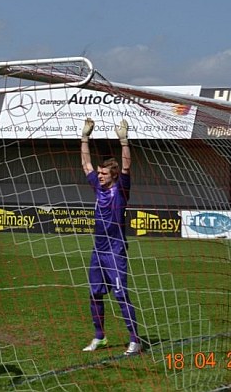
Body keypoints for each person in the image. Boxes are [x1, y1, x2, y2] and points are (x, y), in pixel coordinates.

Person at [80, 118, 141, 356]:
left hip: (115, 251)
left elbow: (126, 166)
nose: (99, 175)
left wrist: (124, 141)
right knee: (94, 293)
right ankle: (99, 336)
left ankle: (135, 340)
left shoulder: (121, 190)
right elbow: (86, 164)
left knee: (119, 293)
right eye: (99, 173)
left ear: (113, 175)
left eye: (104, 173)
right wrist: (84, 137)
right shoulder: (98, 188)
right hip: (98, 250)